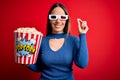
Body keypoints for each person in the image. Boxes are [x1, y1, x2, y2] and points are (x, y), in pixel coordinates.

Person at [27, 3, 89, 80]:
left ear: (66, 20)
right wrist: (26, 63)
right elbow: (38, 68)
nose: (58, 21)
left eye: (62, 17)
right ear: (49, 20)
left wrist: (82, 34)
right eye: (53, 17)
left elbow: (82, 64)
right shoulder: (41, 41)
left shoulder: (73, 40)